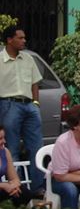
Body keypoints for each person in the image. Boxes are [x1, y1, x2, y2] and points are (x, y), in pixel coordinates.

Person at [0, 25, 44, 195]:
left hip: (29, 106)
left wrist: (36, 104)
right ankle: (17, 189)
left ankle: (38, 188)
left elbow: (35, 83)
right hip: (8, 104)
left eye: (24, 37)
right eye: (20, 38)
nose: (24, 41)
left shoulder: (28, 59)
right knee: (11, 147)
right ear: (9, 40)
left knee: (36, 147)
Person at [0, 124, 32, 206]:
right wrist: (3, 186)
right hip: (2, 186)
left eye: (4, 138)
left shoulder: (5, 152)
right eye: (0, 139)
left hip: (3, 188)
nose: (4, 141)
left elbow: (14, 178)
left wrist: (14, 186)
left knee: (23, 193)